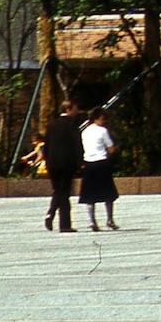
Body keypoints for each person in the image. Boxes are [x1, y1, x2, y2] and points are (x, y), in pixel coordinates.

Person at [41, 99, 84, 233]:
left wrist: (47, 160)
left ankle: (51, 215)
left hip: (52, 164)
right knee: (64, 192)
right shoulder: (72, 124)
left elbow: (46, 145)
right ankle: (64, 224)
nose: (77, 111)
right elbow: (77, 145)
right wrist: (80, 162)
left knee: (58, 190)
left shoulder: (51, 124)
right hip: (67, 164)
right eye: (75, 109)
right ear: (68, 109)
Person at [77, 108, 119, 232]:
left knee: (89, 194)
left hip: (88, 163)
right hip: (102, 163)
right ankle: (110, 219)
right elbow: (111, 148)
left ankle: (92, 221)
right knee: (108, 193)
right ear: (96, 118)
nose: (104, 121)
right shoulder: (103, 131)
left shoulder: (84, 131)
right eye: (103, 118)